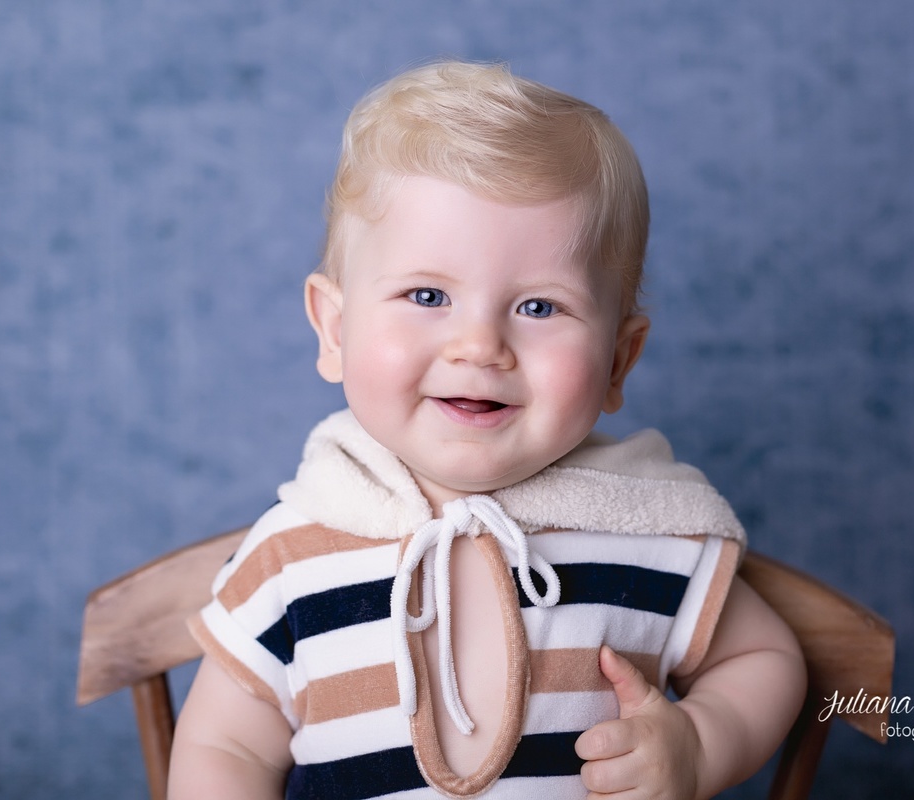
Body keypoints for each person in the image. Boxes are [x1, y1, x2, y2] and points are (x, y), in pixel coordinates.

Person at [169, 60, 805, 800]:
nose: (479, 347)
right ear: (336, 329)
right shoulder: (293, 555)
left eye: (538, 307)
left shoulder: (651, 537)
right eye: (427, 295)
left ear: (617, 361)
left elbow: (762, 660)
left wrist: (698, 743)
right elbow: (223, 748)